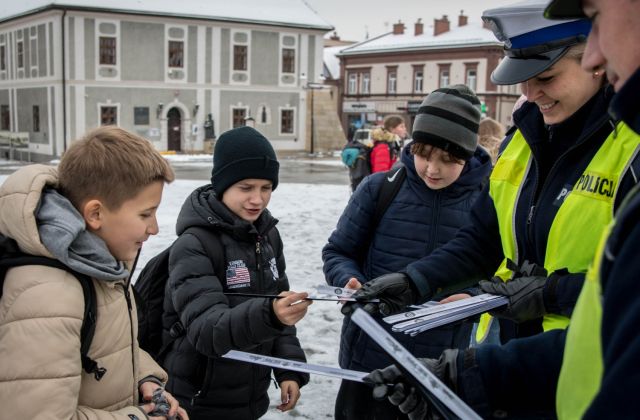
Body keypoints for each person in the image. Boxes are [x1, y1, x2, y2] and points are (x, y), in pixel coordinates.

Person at [364, 0, 640, 418]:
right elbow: (482, 239)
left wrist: (550, 294)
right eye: (523, 79)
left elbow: (624, 292)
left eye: (546, 76)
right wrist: (414, 280)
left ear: (596, 59)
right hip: (510, 359)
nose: (529, 93)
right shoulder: (523, 140)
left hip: (583, 375)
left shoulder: (631, 149)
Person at [323, 85, 492, 420]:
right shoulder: (379, 189)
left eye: (448, 159)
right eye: (424, 153)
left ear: (468, 155)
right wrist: (349, 280)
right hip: (368, 360)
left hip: (440, 368)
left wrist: (473, 299)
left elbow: (501, 275)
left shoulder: (487, 203)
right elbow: (338, 251)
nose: (432, 168)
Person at [0, 126, 187, 419]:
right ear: (96, 214)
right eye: (145, 214)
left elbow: (106, 349)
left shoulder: (99, 266)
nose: (154, 228)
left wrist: (145, 378)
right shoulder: (50, 295)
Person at [161, 126, 311, 420]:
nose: (257, 199)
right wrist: (271, 314)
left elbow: (280, 309)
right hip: (198, 400)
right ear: (222, 186)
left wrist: (287, 369)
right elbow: (206, 330)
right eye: (246, 187)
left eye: (266, 188)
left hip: (249, 396)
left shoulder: (267, 236)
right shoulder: (194, 244)